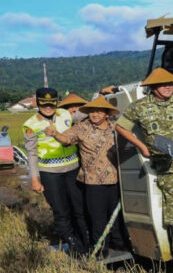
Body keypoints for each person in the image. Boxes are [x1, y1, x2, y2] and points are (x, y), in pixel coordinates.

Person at [114, 68, 173, 253]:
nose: (168, 87)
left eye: (170, 84)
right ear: (153, 87)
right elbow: (121, 127)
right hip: (163, 159)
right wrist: (141, 146)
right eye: (163, 84)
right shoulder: (139, 106)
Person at [46, 95, 126, 256]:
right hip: (93, 182)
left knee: (116, 217)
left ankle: (118, 244)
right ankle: (100, 249)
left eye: (98, 111)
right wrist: (55, 134)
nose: (95, 114)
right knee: (97, 218)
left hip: (116, 179)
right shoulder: (82, 127)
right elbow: (66, 139)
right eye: (91, 111)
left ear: (106, 113)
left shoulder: (115, 127)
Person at [23, 88, 89, 254]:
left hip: (73, 169)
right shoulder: (31, 125)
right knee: (61, 210)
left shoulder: (66, 114)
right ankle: (74, 245)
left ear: (56, 102)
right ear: (38, 103)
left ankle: (86, 240)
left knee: (79, 207)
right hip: (50, 173)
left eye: (51, 104)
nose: (48, 107)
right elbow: (31, 154)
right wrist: (35, 178)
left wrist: (103, 97)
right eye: (44, 104)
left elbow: (89, 113)